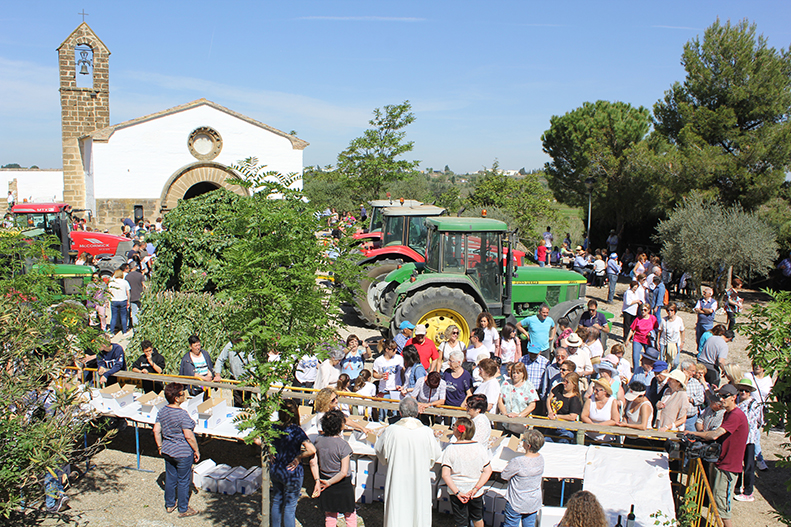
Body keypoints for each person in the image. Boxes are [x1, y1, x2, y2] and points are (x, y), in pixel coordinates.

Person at [687, 384, 748, 527]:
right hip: (720, 461)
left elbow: (715, 434)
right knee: (715, 500)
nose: (721, 399)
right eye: (720, 396)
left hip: (729, 466)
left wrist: (693, 433)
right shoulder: (728, 413)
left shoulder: (736, 415)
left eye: (725, 396)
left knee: (722, 506)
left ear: (734, 397)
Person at [375, 398, 442, 527]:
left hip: (398, 477)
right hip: (419, 478)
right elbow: (436, 454)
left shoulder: (391, 431)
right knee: (418, 508)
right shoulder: (427, 432)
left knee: (397, 508)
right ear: (417, 413)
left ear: (400, 413)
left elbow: (380, 450)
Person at [153, 383, 200, 518]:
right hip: (183, 452)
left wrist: (160, 446)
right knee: (184, 480)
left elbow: (156, 430)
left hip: (168, 450)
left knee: (170, 478)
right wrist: (196, 450)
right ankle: (183, 508)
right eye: (182, 394)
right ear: (176, 398)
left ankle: (169, 504)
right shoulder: (182, 415)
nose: (184, 395)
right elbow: (188, 436)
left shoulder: (162, 411)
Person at [271, 400, 317, 527]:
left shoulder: (273, 427)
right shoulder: (296, 430)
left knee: (277, 501)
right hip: (292, 472)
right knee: (290, 507)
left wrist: (269, 451)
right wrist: (299, 457)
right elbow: (312, 449)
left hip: (276, 468)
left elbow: (257, 440)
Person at [440, 417, 493, 527]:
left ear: (458, 431)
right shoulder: (480, 447)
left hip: (457, 489)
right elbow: (488, 471)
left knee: (461, 522)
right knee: (477, 518)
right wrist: (476, 488)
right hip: (475, 490)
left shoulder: (451, 449)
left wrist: (457, 492)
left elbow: (445, 474)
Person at [313, 410, 357, 527]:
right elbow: (343, 471)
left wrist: (324, 481)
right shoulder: (343, 446)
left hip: (325, 478)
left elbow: (314, 462)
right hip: (341, 483)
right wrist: (329, 482)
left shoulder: (318, 441)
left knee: (330, 514)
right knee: (350, 513)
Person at [500, 430, 545, 527]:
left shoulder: (518, 461)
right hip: (533, 501)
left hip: (516, 501)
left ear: (528, 446)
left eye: (523, 440)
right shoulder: (541, 459)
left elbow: (504, 475)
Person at [734, 378, 762, 502]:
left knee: (749, 465)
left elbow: (754, 422)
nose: (743, 392)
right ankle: (738, 486)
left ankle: (748, 491)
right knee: (738, 463)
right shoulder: (737, 402)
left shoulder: (754, 404)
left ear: (750, 392)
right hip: (739, 438)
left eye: (746, 390)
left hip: (749, 439)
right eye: (741, 390)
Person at [746, 361, 773, 471]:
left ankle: (756, 459)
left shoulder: (767, 378)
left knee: (756, 435)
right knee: (755, 435)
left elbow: (770, 393)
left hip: (762, 411)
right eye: (756, 364)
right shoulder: (748, 376)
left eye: (760, 365)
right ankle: (759, 460)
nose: (757, 366)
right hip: (751, 410)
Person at [498, 362, 539, 435]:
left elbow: (532, 405)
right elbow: (500, 400)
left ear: (523, 373)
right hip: (507, 422)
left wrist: (519, 415)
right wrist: (504, 414)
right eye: (514, 372)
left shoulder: (529, 386)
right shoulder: (506, 383)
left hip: (522, 424)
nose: (515, 375)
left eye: (518, 373)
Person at [213, 335, 253, 407]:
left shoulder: (248, 347)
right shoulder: (229, 345)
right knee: (237, 402)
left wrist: (250, 378)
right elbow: (220, 359)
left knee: (246, 404)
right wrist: (218, 374)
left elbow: (253, 364)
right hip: (234, 380)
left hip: (246, 381)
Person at [545, 372, 583, 443]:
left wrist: (557, 416)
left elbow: (572, 416)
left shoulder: (575, 399)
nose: (564, 383)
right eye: (564, 380)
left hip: (565, 428)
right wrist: (550, 412)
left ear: (574, 385)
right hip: (552, 425)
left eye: (567, 382)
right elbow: (549, 398)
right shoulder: (559, 387)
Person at [624, 304, 658, 372]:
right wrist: (627, 339)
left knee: (649, 357)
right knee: (635, 356)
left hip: (648, 340)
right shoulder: (637, 319)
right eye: (642, 310)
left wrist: (652, 333)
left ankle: (648, 370)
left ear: (649, 310)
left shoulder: (653, 318)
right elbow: (632, 330)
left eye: (645, 310)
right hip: (637, 339)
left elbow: (657, 328)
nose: (643, 311)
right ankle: (636, 371)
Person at [658, 302, 685, 367]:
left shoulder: (679, 320)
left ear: (675, 311)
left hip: (675, 343)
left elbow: (682, 331)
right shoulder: (663, 320)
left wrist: (682, 342)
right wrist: (658, 342)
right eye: (668, 310)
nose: (670, 312)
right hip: (664, 342)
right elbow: (659, 331)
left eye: (671, 310)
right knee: (663, 361)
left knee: (675, 363)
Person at [107, 269, 131, 335]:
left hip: (114, 300)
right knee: (123, 316)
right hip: (123, 300)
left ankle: (112, 332)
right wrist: (128, 301)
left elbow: (109, 293)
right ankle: (124, 331)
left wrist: (107, 301)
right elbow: (128, 292)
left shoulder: (111, 283)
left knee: (114, 317)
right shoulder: (125, 282)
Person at [125, 262, 145, 328]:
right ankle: (142, 325)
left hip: (132, 296)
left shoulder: (127, 276)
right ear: (135, 267)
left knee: (134, 313)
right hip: (140, 296)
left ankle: (136, 328)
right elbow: (144, 285)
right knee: (141, 311)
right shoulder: (140, 275)